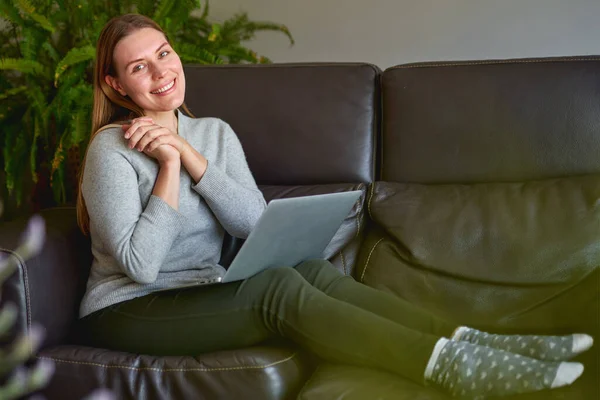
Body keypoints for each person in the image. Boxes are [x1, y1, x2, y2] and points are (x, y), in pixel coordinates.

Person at [77, 14, 593, 398]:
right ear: (116, 85)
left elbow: (251, 222)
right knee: (276, 289)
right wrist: (168, 167)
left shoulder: (212, 134)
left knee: (308, 270)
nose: (160, 71)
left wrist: (190, 155)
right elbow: (140, 267)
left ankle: (479, 342)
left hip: (199, 291)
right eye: (139, 66)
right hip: (128, 309)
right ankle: (452, 370)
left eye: (164, 53)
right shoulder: (111, 150)